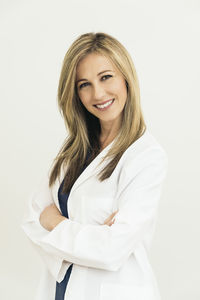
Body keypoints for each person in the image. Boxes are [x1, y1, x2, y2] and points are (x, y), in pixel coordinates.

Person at [21, 32, 168, 300]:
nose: (97, 93)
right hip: (59, 290)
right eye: (83, 84)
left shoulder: (146, 156)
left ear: (126, 77)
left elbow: (112, 250)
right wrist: (93, 235)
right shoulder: (73, 151)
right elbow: (31, 220)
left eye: (106, 77)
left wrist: (55, 222)